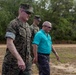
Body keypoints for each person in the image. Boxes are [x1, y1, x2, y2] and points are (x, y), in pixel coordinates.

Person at [2, 3, 33, 75]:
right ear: (21, 11)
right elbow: (9, 43)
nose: (29, 15)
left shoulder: (28, 26)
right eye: (27, 12)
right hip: (12, 64)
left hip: (26, 65)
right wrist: (19, 59)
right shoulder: (13, 24)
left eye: (30, 13)